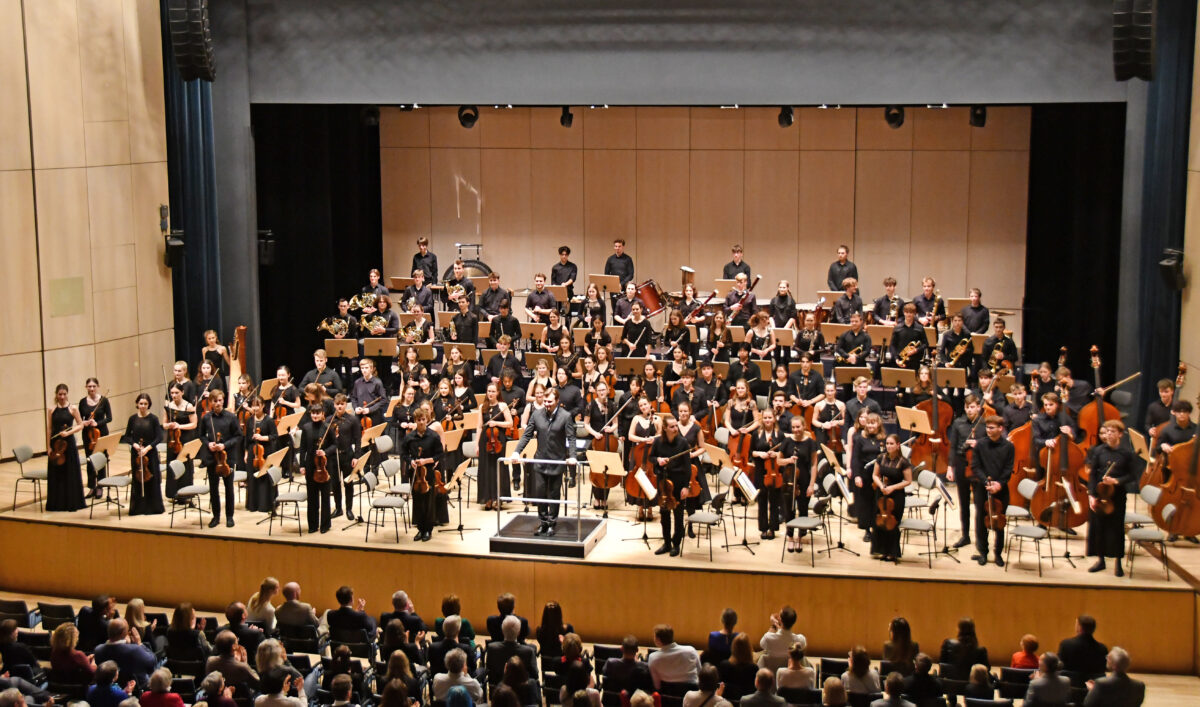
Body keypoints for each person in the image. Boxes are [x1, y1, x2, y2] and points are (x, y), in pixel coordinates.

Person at [514, 388, 576, 536]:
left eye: (550, 401)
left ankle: (552, 523)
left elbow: (571, 438)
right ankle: (543, 522)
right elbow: (527, 435)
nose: (547, 404)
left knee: (554, 494)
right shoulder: (536, 414)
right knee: (540, 493)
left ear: (557, 401)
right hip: (540, 460)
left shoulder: (566, 416)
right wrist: (517, 451)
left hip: (557, 461)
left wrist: (573, 456)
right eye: (545, 401)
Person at [1084, 421, 1136, 575]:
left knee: (1116, 529)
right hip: (1100, 494)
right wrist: (1091, 495)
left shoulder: (1126, 453)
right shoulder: (1098, 451)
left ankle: (1118, 563)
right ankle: (1101, 560)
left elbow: (1132, 475)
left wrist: (1116, 481)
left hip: (1117, 495)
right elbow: (1093, 474)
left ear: (1120, 434)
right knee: (1099, 528)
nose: (1109, 434)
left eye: (1112, 431)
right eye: (1107, 431)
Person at [969, 415, 1014, 566]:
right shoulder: (980, 445)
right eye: (987, 427)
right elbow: (976, 466)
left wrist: (999, 484)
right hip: (983, 489)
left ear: (1000, 429)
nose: (988, 430)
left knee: (999, 522)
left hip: (1001, 490)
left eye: (992, 428)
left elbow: (1008, 469)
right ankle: (983, 552)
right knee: (981, 521)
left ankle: (998, 554)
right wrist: (986, 482)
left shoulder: (1009, 447)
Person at [652, 417, 692, 556]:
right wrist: (658, 460)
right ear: (665, 428)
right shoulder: (658, 441)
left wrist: (686, 486)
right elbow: (651, 457)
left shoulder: (683, 442)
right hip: (663, 482)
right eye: (672, 426)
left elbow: (688, 467)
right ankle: (667, 543)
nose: (676, 429)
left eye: (676, 426)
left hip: (678, 482)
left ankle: (676, 544)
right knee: (664, 514)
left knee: (678, 515)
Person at [200, 390, 241, 528]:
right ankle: (216, 516)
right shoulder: (206, 418)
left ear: (223, 401)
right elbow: (201, 435)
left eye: (220, 400)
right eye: (215, 401)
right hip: (212, 457)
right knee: (214, 489)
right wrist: (208, 444)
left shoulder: (231, 417)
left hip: (227, 457)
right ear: (210, 402)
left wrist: (224, 445)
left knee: (229, 488)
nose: (218, 403)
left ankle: (229, 517)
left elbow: (238, 436)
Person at [403, 409, 443, 542]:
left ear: (427, 420)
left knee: (428, 501)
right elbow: (403, 453)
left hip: (428, 472)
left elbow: (439, 454)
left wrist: (426, 461)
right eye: (418, 420)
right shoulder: (409, 437)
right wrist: (411, 461)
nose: (421, 422)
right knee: (417, 501)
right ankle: (420, 529)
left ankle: (428, 530)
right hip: (415, 473)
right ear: (415, 421)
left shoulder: (433, 436)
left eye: (423, 419)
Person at [871, 434, 913, 562]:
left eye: (891, 444)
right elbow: (875, 475)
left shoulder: (903, 462)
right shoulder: (881, 457)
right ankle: (882, 550)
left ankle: (892, 552)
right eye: (887, 443)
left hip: (896, 496)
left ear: (898, 445)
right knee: (880, 522)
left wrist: (892, 488)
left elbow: (908, 481)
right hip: (881, 493)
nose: (888, 446)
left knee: (892, 524)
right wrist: (881, 485)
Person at [122, 393, 165, 516]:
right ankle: (138, 508)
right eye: (141, 403)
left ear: (149, 404)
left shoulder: (153, 419)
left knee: (151, 479)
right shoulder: (132, 419)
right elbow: (127, 436)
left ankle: (153, 507)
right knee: (138, 479)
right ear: (137, 404)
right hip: (136, 454)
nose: (143, 406)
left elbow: (159, 437)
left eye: (145, 404)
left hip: (150, 454)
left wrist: (147, 448)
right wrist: (135, 445)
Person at [46, 383, 86, 511]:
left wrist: (68, 433)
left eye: (64, 394)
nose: (62, 397)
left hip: (68, 444)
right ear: (56, 395)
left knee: (70, 472)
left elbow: (80, 425)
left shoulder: (73, 408)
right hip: (55, 444)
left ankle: (71, 502)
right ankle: (57, 503)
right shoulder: (51, 409)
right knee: (56, 473)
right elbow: (49, 428)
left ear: (67, 394)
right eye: (60, 394)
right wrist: (48, 446)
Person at [298, 404, 335, 533]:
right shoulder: (306, 428)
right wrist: (302, 465)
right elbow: (302, 448)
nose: (315, 415)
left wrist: (325, 452)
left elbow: (335, 445)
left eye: (317, 413)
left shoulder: (328, 427)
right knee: (312, 497)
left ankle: (325, 525)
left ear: (322, 414)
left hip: (324, 465)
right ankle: (312, 526)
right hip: (310, 465)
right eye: (313, 413)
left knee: (325, 496)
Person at [850, 412, 886, 542]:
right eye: (869, 423)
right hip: (865, 475)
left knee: (878, 503)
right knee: (866, 503)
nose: (870, 426)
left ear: (878, 424)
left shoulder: (884, 439)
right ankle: (867, 530)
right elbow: (855, 459)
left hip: (879, 476)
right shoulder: (860, 439)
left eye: (873, 423)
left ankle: (878, 528)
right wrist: (857, 476)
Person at [94, 619, 158, 688]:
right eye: (127, 631)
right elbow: (152, 663)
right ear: (123, 634)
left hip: (109, 686)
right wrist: (139, 644)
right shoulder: (134, 650)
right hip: (136, 687)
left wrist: (126, 644)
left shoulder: (98, 650)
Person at [486, 615, 538, 683]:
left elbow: (488, 670)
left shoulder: (491, 648)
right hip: (521, 689)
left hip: (497, 688)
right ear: (519, 632)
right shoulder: (529, 652)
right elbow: (535, 675)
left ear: (502, 630)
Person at [647, 624, 700, 689]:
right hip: (693, 692)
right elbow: (700, 673)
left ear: (657, 639)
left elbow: (657, 686)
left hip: (668, 694)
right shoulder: (691, 650)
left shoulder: (653, 657)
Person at [1058, 615, 1107, 681]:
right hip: (1094, 686)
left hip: (1071, 685)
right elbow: (1103, 670)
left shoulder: (1066, 645)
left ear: (1079, 627)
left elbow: (1059, 666)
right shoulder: (1102, 649)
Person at [604, 238, 635, 311]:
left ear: (623, 247)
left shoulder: (628, 259)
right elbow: (606, 274)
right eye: (616, 246)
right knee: (615, 309)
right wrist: (612, 284)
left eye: (619, 246)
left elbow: (631, 274)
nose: (617, 248)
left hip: (624, 288)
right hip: (613, 288)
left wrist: (621, 284)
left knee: (624, 309)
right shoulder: (610, 259)